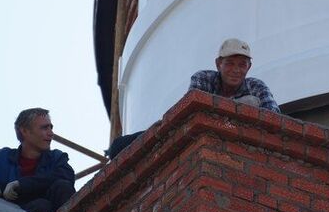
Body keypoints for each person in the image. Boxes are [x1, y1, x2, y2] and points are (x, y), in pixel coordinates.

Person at [108, 38, 280, 158]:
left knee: (250, 102)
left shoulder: (256, 86)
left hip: (238, 138)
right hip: (193, 131)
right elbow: (193, 111)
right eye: (230, 63)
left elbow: (274, 116)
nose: (236, 70)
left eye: (242, 65)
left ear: (249, 67)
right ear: (218, 64)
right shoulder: (204, 78)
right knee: (120, 146)